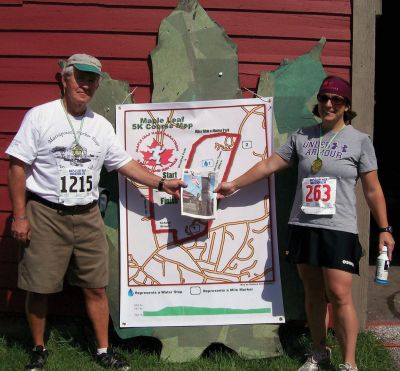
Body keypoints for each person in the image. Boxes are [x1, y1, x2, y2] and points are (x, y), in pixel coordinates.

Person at [6, 53, 186, 371]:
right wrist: (20, 216)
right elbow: (18, 166)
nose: (86, 84)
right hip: (45, 213)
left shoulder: (100, 126)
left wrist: (161, 183)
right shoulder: (40, 116)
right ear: (65, 78)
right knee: (39, 285)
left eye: (92, 79)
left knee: (95, 286)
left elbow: (125, 163)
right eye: (80, 77)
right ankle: (38, 348)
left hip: (87, 215)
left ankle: (103, 350)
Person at [215, 76, 395, 371]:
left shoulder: (360, 141)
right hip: (304, 226)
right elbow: (268, 165)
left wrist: (385, 229)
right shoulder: (303, 137)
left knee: (339, 294)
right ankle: (319, 351)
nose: (328, 104)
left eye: (336, 100)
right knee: (312, 292)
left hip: (339, 229)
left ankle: (349, 362)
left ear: (346, 106)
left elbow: (372, 189)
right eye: (324, 98)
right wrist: (234, 184)